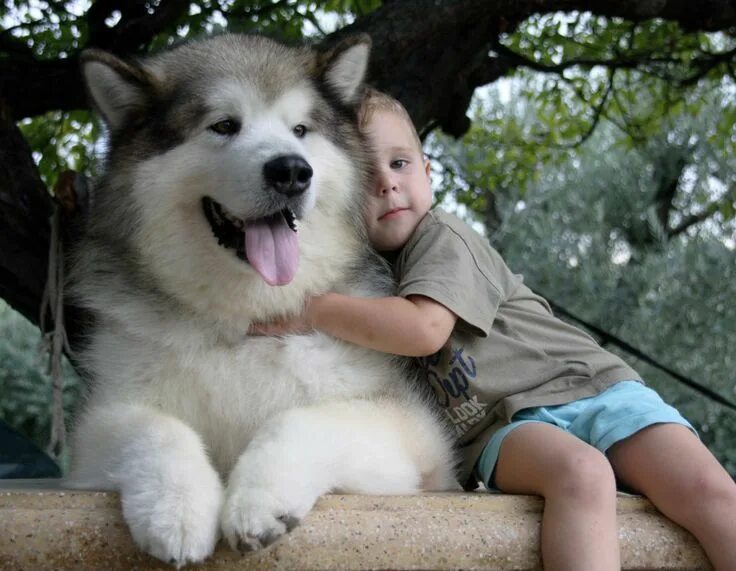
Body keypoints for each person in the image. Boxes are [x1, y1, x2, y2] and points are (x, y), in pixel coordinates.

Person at [252, 88, 736, 570]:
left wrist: (313, 309)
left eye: (399, 163)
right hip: (501, 428)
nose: (386, 183)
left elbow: (424, 330)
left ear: (428, 173)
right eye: (364, 176)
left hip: (590, 386)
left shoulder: (442, 236)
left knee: (710, 492)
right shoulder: (357, 275)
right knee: (582, 474)